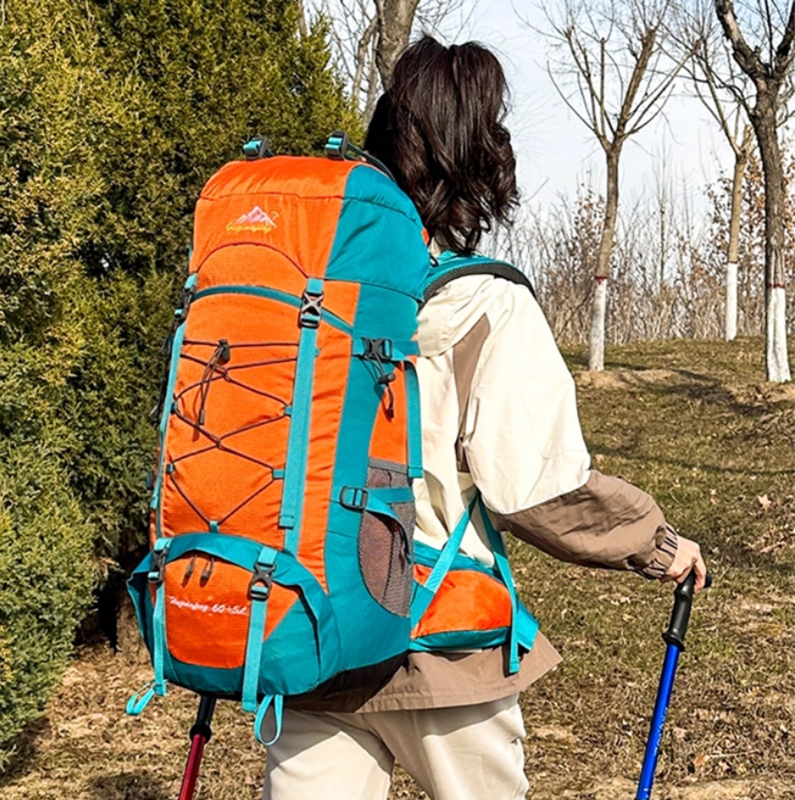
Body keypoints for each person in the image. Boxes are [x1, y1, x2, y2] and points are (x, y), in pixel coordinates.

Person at [262, 36, 707, 800]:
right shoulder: (487, 302)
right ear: (476, 156)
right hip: (437, 640)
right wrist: (655, 544)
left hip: (306, 627)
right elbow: (537, 487)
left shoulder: (305, 297)